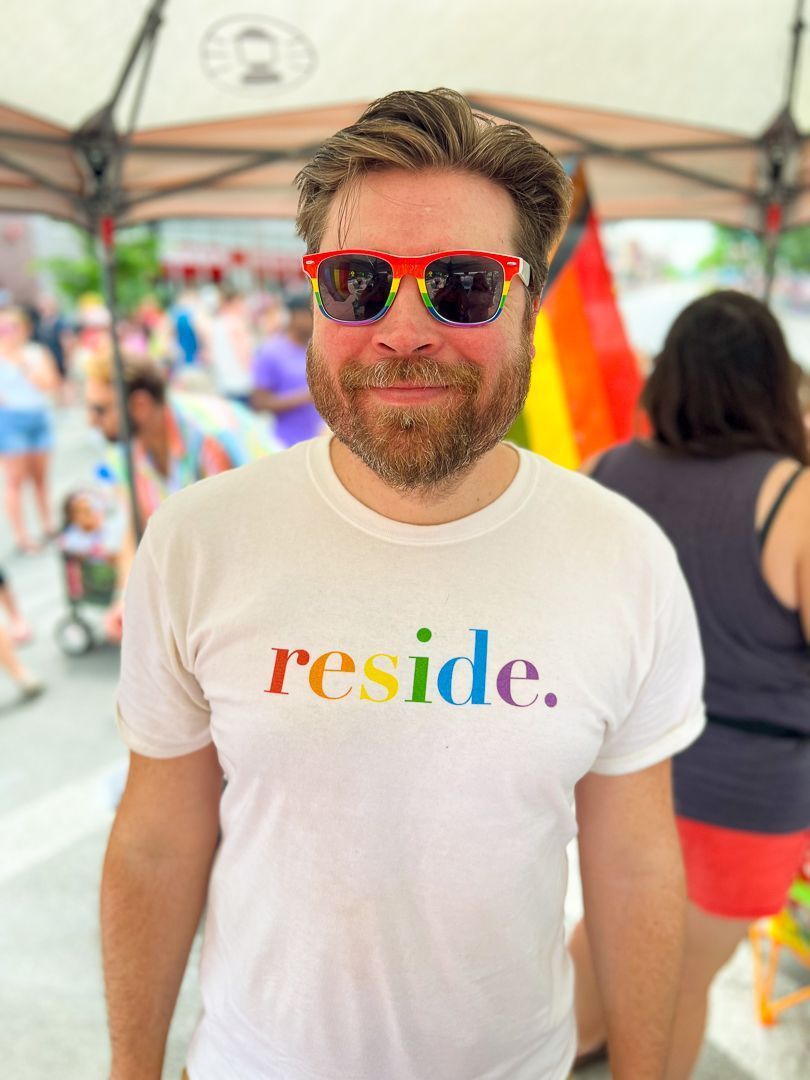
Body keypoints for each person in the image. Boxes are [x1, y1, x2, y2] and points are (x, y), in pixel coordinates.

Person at [101, 89, 705, 1080]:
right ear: (315, 297)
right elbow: (159, 843)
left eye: (464, 284)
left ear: (528, 308)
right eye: (356, 283)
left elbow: (635, 865)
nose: (404, 328)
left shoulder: (626, 559)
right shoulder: (198, 539)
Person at [572, 291, 810, 1079]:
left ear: (668, 376)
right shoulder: (793, 497)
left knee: (603, 950)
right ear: (777, 383)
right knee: (672, 988)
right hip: (748, 795)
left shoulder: (604, 474)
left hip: (622, 777)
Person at [83, 352, 279, 642]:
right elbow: (135, 527)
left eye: (100, 410)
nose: (91, 421)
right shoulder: (126, 448)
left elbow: (233, 539)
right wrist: (126, 598)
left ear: (139, 404)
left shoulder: (209, 435)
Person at [0, 305, 60, 552]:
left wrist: (23, 364)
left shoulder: (36, 353)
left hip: (39, 417)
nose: (8, 333)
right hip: (11, 420)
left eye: (12, 327)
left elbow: (49, 384)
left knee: (40, 478)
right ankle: (22, 536)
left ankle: (48, 526)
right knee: (15, 480)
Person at [250, 295, 323, 447]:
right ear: (297, 316)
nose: (318, 322)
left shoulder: (317, 347)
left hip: (319, 441)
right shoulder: (271, 351)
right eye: (313, 315)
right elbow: (259, 402)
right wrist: (307, 396)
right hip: (286, 443)